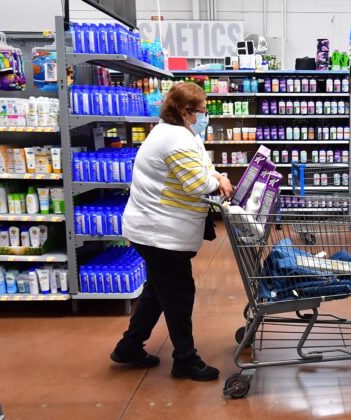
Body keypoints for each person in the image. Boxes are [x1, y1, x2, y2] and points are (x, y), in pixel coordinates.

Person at [111, 82, 232, 382]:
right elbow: (197, 183)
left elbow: (203, 167)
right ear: (185, 111)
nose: (205, 115)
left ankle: (128, 347)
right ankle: (185, 360)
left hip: (156, 228)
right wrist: (220, 181)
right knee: (179, 293)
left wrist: (216, 174)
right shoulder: (175, 139)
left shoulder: (179, 133)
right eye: (202, 110)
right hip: (159, 232)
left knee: (157, 290)